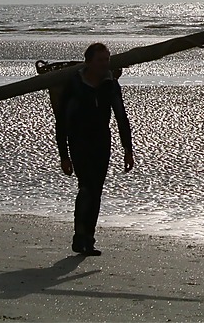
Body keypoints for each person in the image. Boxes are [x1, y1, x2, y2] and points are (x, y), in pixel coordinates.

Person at [55, 42, 135, 255]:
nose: (104, 64)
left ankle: (88, 239)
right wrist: (64, 155)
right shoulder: (75, 85)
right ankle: (78, 236)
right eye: (100, 60)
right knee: (86, 188)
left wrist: (128, 149)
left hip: (102, 142)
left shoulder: (111, 85)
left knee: (96, 191)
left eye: (107, 59)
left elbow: (121, 117)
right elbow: (62, 122)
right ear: (89, 62)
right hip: (79, 141)